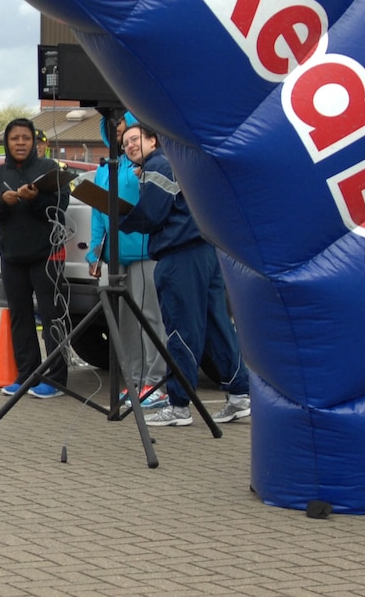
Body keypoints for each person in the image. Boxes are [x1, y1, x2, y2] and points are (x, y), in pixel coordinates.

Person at [119, 122, 251, 426]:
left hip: (179, 255)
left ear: (154, 139)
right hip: (205, 250)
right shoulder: (175, 163)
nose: (129, 146)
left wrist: (122, 215)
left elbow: (152, 213)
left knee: (181, 329)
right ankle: (239, 396)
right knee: (218, 326)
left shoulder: (157, 166)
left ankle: (179, 405)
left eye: (135, 139)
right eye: (125, 143)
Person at [0, 118, 72, 399]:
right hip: (12, 256)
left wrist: (33, 199)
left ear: (34, 143)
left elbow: (60, 206)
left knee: (52, 317)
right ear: (7, 142)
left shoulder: (48, 169)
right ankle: (27, 375)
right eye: (15, 138)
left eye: (26, 138)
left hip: (47, 255)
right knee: (20, 318)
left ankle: (56, 380)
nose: (20, 143)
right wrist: (1, 201)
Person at [85, 112, 166, 408]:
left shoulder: (145, 163)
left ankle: (156, 383)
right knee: (126, 323)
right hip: (115, 254)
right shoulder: (105, 167)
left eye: (122, 122)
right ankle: (134, 381)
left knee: (150, 317)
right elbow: (98, 212)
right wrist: (95, 252)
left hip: (145, 251)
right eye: (113, 126)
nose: (118, 129)